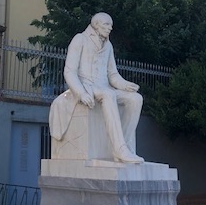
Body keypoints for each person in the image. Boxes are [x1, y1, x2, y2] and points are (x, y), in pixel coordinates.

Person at [49, 12, 143, 163]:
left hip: (104, 87)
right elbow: (69, 71)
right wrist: (81, 93)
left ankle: (123, 145)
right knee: (108, 95)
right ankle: (120, 149)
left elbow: (113, 74)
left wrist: (125, 85)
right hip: (87, 86)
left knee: (136, 99)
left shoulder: (108, 45)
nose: (110, 28)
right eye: (107, 24)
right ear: (96, 25)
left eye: (111, 25)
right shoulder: (80, 39)